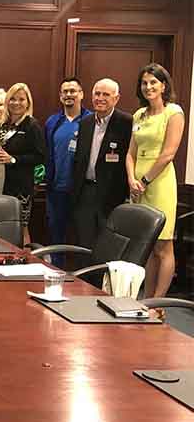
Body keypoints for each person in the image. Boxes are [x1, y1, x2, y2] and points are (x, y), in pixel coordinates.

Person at [127, 64, 185, 298]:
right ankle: (147, 299)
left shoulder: (174, 112)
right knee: (148, 246)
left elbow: (168, 154)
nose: (148, 86)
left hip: (159, 183)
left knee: (163, 246)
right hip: (137, 184)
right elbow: (130, 153)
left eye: (153, 82)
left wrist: (145, 180)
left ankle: (159, 303)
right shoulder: (139, 115)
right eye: (144, 83)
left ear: (163, 85)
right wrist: (131, 179)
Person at [73, 78, 132, 253]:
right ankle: (85, 280)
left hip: (112, 196)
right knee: (84, 245)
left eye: (106, 94)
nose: (100, 98)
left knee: (108, 246)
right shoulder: (85, 122)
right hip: (85, 193)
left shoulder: (127, 123)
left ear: (116, 98)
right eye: (97, 93)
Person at [43, 77, 92, 267]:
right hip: (56, 189)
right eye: (65, 91)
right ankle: (57, 273)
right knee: (57, 236)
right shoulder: (52, 122)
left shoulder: (90, 120)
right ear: (60, 96)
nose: (69, 95)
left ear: (81, 94)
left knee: (83, 236)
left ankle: (84, 278)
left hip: (83, 190)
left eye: (73, 91)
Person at [0, 82, 45, 245]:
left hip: (21, 188)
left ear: (28, 102)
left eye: (21, 99)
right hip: (1, 184)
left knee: (19, 229)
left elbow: (40, 156)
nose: (16, 103)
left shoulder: (32, 126)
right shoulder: (3, 125)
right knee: (2, 228)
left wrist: (14, 159)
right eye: (13, 99)